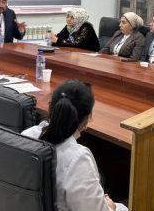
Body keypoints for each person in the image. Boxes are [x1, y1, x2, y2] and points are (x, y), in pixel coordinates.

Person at [22, 80, 128, 211]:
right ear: (87, 118)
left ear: (51, 108)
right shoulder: (78, 159)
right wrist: (111, 207)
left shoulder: (27, 135)